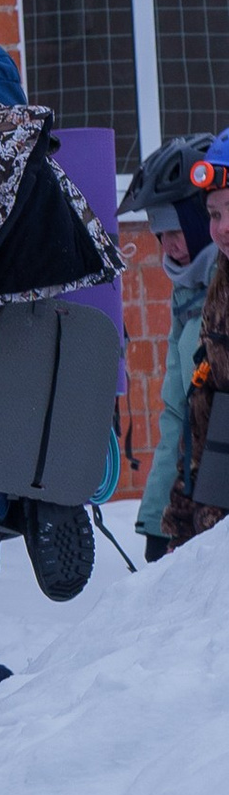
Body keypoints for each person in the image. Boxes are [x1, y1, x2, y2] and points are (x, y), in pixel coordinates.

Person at [131, 133, 219, 557]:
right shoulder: (188, 296)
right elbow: (177, 414)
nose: (167, 246)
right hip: (202, 507)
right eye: (158, 234)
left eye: (175, 229)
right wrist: (158, 521)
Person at [159, 129, 229, 554]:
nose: (223, 228)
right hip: (217, 523)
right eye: (215, 214)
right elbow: (202, 407)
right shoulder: (219, 288)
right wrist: (181, 525)